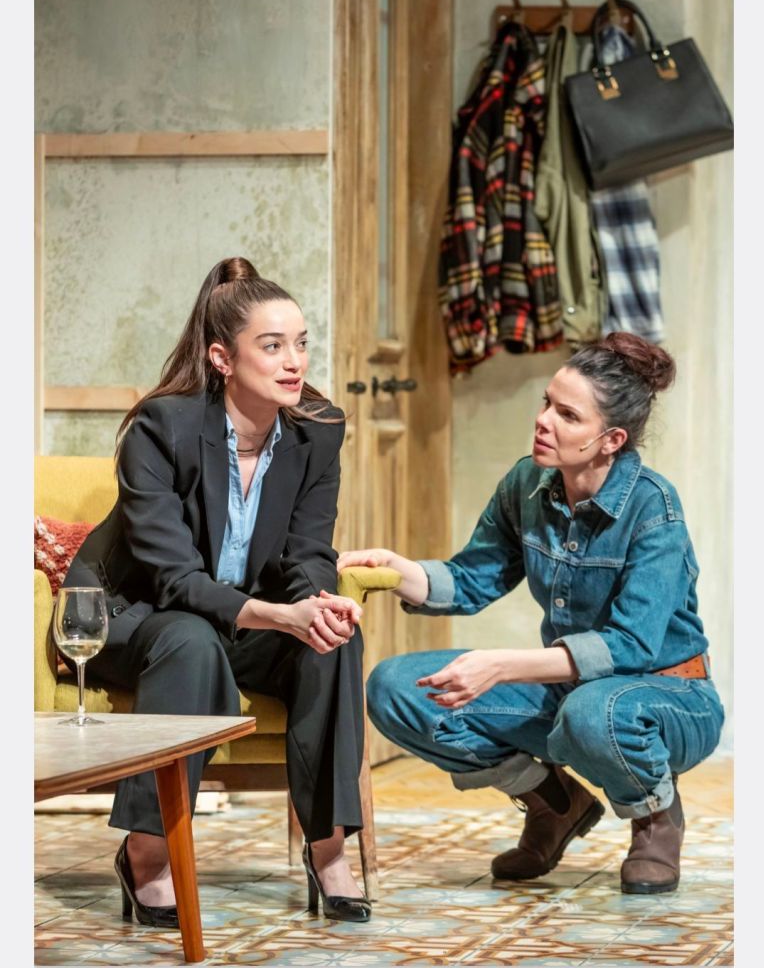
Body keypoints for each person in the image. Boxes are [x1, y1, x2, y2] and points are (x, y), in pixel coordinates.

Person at [339, 332, 724, 895]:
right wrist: (398, 570)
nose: (543, 420)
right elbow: (472, 578)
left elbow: (630, 646)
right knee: (397, 688)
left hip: (669, 696)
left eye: (568, 415)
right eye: (547, 403)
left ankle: (656, 818)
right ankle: (554, 805)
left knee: (595, 712)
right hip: (574, 692)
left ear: (611, 440)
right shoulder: (527, 484)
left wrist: (500, 666)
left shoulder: (653, 509)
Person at [65, 256, 372, 925]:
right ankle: (147, 852)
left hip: (234, 616)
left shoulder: (318, 428)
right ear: (222, 358)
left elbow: (307, 551)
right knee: (191, 640)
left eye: (301, 343)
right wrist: (275, 614)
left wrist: (316, 604)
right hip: (132, 612)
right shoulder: (162, 428)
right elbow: (173, 578)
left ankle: (329, 849)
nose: (294, 361)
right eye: (273, 346)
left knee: (334, 641)